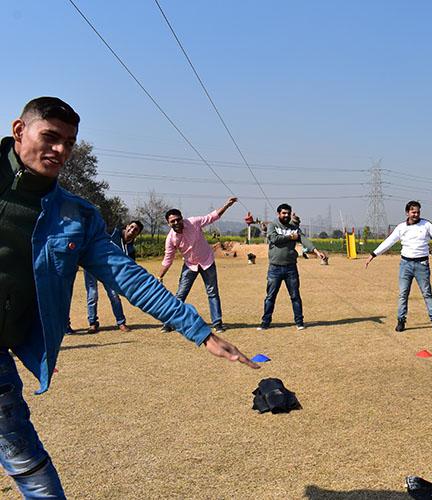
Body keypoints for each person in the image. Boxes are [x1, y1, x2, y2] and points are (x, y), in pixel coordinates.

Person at [0, 96, 258, 497]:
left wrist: (201, 332)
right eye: (50, 137)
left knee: (30, 467)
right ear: (19, 131)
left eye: (69, 143)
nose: (61, 151)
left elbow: (131, 278)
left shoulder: (76, 217)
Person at [366, 201, 432, 333]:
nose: (416, 214)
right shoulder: (401, 228)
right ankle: (401, 321)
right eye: (413, 212)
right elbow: (388, 242)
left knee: (427, 293)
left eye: (418, 212)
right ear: (407, 213)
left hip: (422, 265)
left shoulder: (426, 225)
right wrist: (373, 254)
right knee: (403, 294)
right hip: (405, 265)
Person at [157, 198, 238, 333]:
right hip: (190, 265)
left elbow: (212, 217)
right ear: (168, 223)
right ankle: (169, 323)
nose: (176, 222)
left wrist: (227, 205)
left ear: (182, 218)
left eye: (178, 219)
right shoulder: (170, 238)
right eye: (173, 221)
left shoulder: (194, 222)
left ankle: (217, 323)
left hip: (207, 262)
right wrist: (160, 275)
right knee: (181, 294)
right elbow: (168, 258)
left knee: (212, 293)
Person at [258, 204, 326, 330]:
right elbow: (274, 238)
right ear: (279, 214)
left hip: (291, 268)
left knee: (295, 296)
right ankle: (265, 323)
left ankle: (299, 322)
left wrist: (316, 252)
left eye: (288, 213)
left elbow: (304, 240)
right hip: (275, 268)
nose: (286, 215)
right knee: (270, 297)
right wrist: (290, 237)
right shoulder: (273, 225)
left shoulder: (294, 228)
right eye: (284, 213)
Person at [83, 220, 144, 333]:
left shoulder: (130, 249)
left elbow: (130, 265)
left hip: (109, 271)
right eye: (131, 227)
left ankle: (121, 322)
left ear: (138, 234)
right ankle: (92, 323)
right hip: (91, 264)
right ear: (127, 226)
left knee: (114, 295)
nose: (132, 230)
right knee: (92, 295)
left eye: (136, 230)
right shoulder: (112, 233)